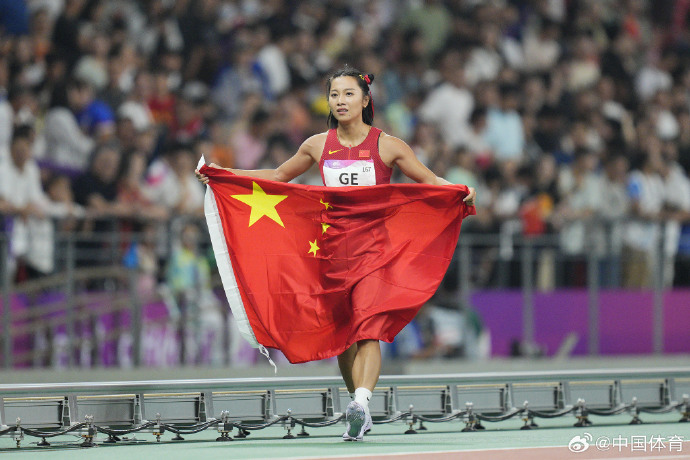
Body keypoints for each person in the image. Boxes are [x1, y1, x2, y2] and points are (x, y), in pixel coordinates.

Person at [196, 67, 476, 441]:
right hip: (333, 255)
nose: (340, 101)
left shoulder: (388, 146)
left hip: (375, 254)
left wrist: (460, 189)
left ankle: (361, 401)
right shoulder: (316, 145)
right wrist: (226, 173)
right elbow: (278, 176)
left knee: (368, 329)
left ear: (365, 100)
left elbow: (430, 181)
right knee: (344, 338)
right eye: (334, 95)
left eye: (348, 94)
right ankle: (359, 409)